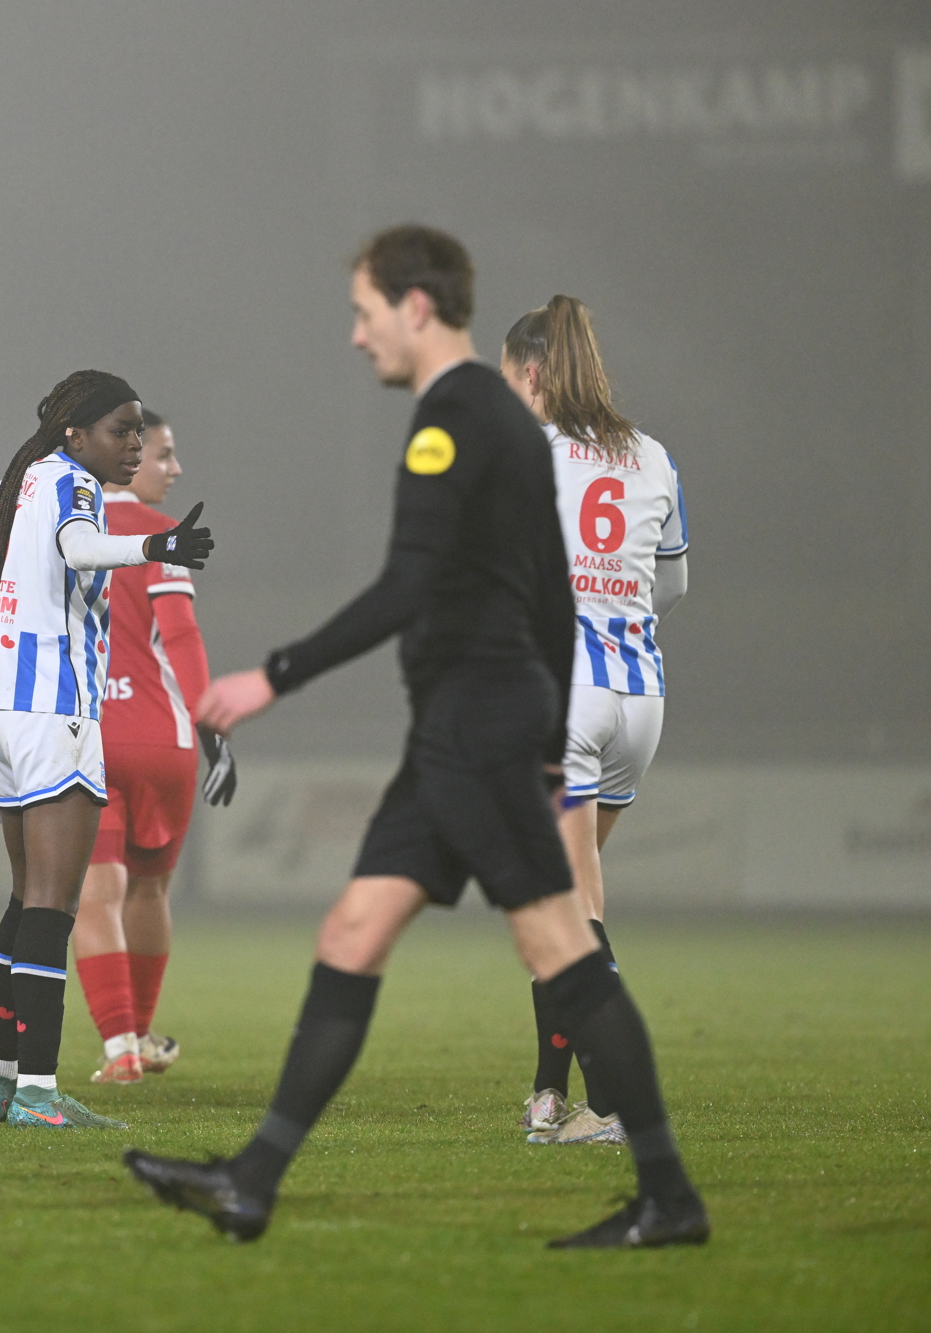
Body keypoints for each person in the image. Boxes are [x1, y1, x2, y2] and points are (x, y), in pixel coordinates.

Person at [126, 226, 709, 1250]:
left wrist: (275, 674)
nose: (355, 337)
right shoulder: (505, 424)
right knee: (351, 935)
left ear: (414, 306)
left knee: (561, 944)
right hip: (478, 724)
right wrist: (543, 717)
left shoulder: (454, 418)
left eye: (361, 313)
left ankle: (666, 1195)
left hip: (477, 728)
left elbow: (409, 582)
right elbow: (545, 593)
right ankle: (251, 1181)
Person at [0, 371, 214, 1131]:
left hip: (5, 709)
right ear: (76, 432)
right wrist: (155, 543)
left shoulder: (29, 479)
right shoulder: (72, 483)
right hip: (54, 713)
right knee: (53, 905)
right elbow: (79, 547)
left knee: (21, 902)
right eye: (121, 428)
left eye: (140, 429)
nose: (134, 443)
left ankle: (1, 1083)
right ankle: (39, 1091)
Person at [501, 295, 690, 1146]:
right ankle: (550, 1093)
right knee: (575, 898)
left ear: (533, 375)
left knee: (559, 912)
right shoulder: (653, 456)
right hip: (639, 698)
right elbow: (671, 585)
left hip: (562, 700)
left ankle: (615, 1104)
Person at [71, 411, 234, 1084]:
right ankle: (139, 1030)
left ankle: (121, 1052)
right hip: (163, 738)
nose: (173, 468)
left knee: (94, 895)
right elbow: (183, 636)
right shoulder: (158, 533)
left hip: (88, 734)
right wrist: (213, 730)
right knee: (149, 889)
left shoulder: (63, 525)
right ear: (128, 457)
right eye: (163, 454)